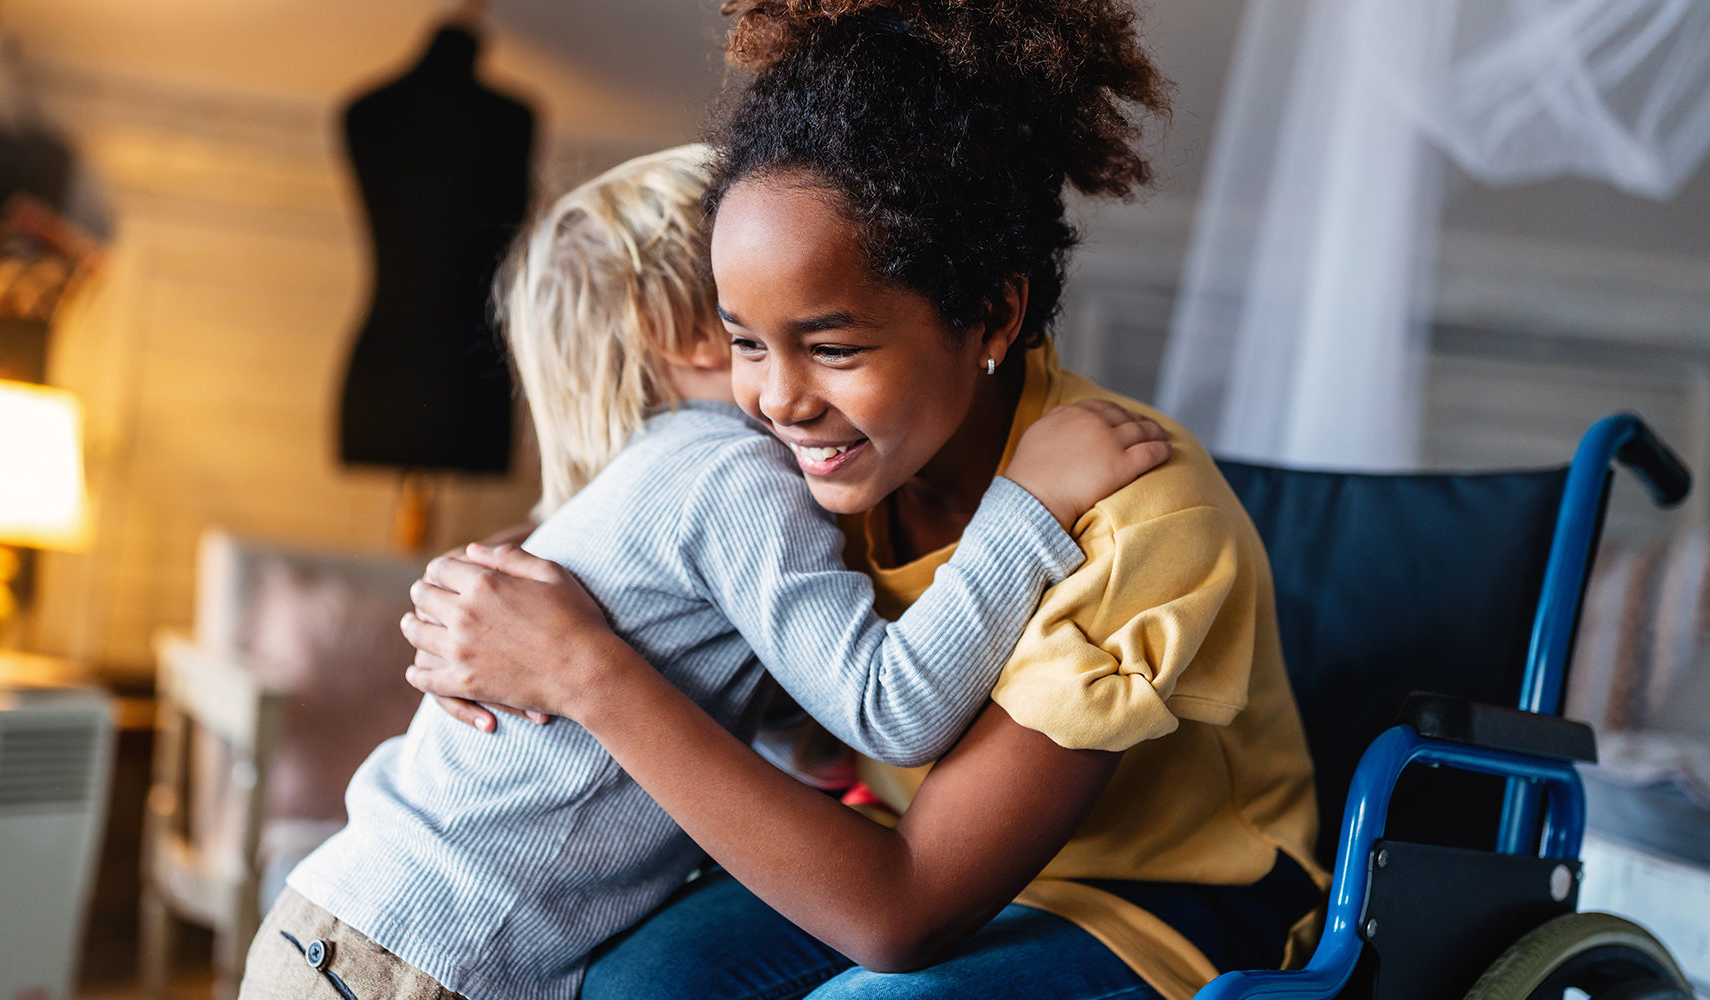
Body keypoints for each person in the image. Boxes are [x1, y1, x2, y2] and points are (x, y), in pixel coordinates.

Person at [402, 4, 1327, 999]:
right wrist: (489, 598)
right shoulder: (822, 464)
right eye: (746, 343)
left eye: (833, 347)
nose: (780, 400)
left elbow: (902, 912)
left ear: (992, 311)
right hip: (905, 836)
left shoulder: (1144, 518)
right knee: (633, 985)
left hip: (1154, 902)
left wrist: (583, 670)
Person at [240, 145, 1170, 1000]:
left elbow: (784, 739)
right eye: (751, 321)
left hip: (348, 925)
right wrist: (1029, 504)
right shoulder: (731, 475)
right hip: (415, 959)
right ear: (695, 328)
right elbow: (894, 710)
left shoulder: (660, 475)